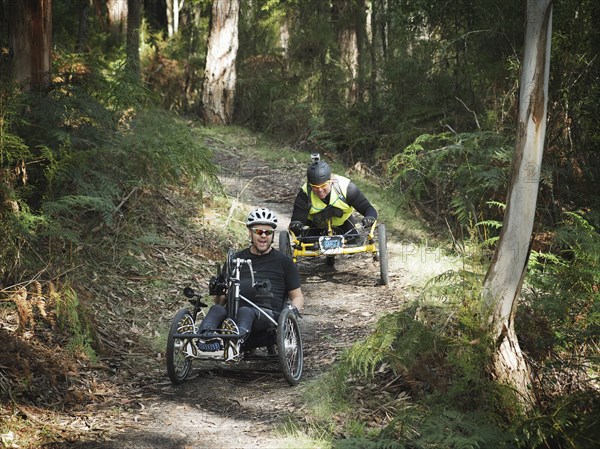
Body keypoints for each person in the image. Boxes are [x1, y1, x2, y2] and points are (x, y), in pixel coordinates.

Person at [197, 207, 305, 362]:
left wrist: (291, 313)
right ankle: (204, 339)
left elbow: (298, 296)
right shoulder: (236, 260)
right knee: (216, 309)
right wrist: (219, 292)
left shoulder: (285, 263)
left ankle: (235, 342)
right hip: (233, 315)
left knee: (246, 311)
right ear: (250, 232)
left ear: (272, 234)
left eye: (267, 233)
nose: (263, 236)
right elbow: (221, 299)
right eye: (258, 232)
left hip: (268, 317)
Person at [289, 154, 378, 236]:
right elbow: (296, 222)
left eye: (323, 185)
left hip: (343, 223)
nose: (320, 190)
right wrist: (296, 226)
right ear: (309, 185)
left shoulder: (347, 188)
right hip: (315, 225)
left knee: (354, 241)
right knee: (306, 244)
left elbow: (368, 209)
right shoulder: (305, 193)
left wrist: (369, 218)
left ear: (331, 181)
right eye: (315, 187)